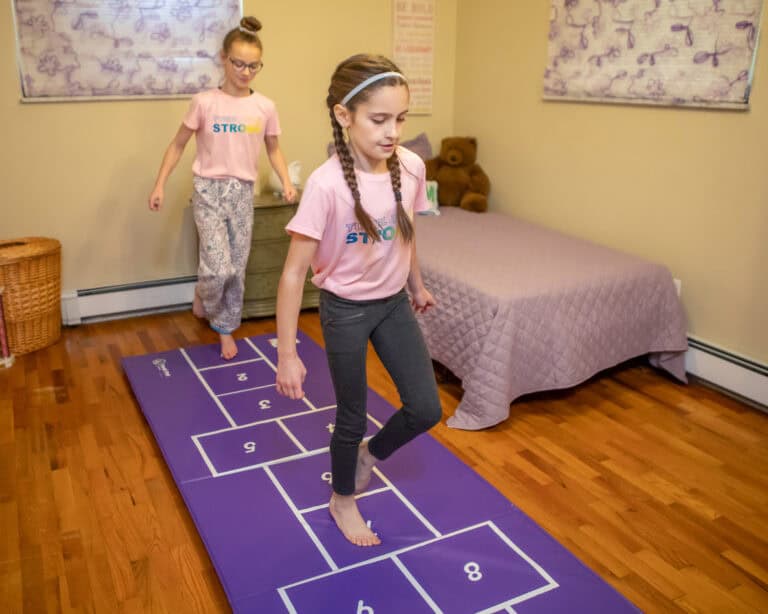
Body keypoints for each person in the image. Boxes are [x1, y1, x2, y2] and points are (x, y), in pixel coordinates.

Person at [275, 54, 442, 547]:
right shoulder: (325, 187)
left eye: (401, 119)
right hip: (344, 310)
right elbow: (291, 274)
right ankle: (342, 499)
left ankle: (370, 454)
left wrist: (416, 285)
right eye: (379, 119)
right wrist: (287, 354)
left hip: (392, 304)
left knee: (426, 409)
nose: (393, 131)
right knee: (351, 413)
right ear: (344, 116)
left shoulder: (410, 166)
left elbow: (404, 234)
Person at [148, 16, 297, 359]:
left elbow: (273, 147)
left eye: (253, 66)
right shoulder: (204, 102)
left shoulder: (265, 107)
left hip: (242, 193)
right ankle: (204, 290)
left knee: (237, 269)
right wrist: (160, 185)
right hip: (208, 190)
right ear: (223, 58)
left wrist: (287, 182)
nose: (245, 72)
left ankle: (225, 330)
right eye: (238, 63)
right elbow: (178, 145)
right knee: (219, 267)